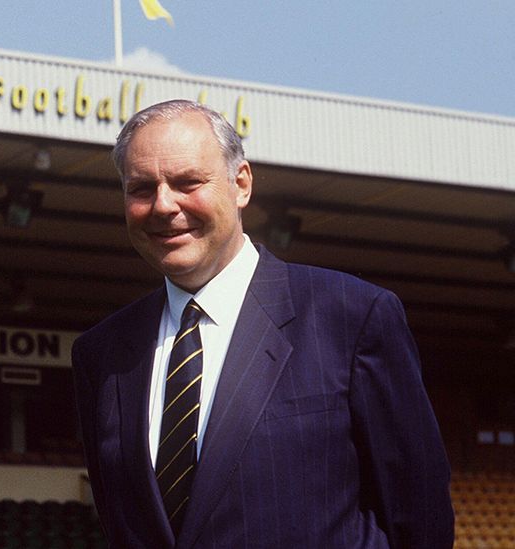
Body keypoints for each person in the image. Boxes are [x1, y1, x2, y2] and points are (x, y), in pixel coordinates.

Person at [71, 99, 454, 549]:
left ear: (241, 184)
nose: (163, 205)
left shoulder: (350, 317)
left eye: (187, 182)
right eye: (140, 188)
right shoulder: (102, 353)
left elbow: (420, 518)